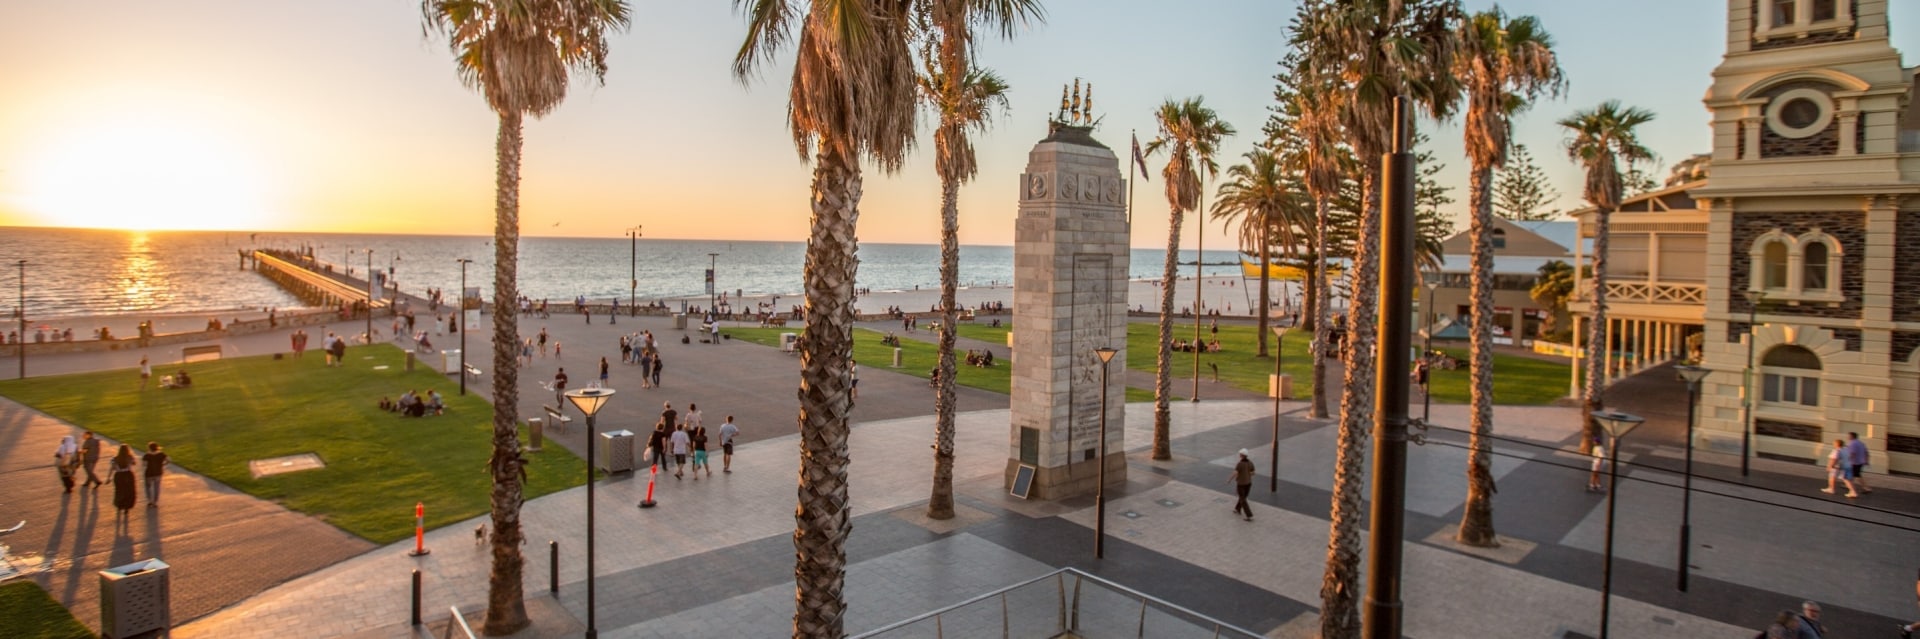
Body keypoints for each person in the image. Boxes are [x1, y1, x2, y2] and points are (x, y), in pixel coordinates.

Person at [111, 444, 138, 517]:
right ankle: (127, 507)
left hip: (119, 475)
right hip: (128, 475)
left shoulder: (115, 458)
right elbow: (134, 463)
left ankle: (119, 505)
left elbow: (112, 468)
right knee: (128, 491)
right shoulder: (130, 457)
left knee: (119, 490)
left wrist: (108, 477)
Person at [1231, 449, 1256, 521]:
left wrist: (1229, 479)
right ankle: (1237, 509)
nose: (1239, 455)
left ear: (1242, 455)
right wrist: (1247, 474)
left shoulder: (1240, 464)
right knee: (1243, 497)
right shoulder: (1250, 463)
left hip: (1241, 484)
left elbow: (1235, 473)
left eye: (1240, 454)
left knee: (1242, 499)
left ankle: (1249, 515)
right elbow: (1253, 473)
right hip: (1248, 483)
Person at [142, 442, 168, 508]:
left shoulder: (147, 455)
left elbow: (144, 464)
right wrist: (163, 464)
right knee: (156, 487)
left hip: (149, 473)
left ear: (149, 448)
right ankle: (155, 502)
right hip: (158, 473)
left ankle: (150, 501)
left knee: (148, 487)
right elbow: (169, 460)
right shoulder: (161, 454)